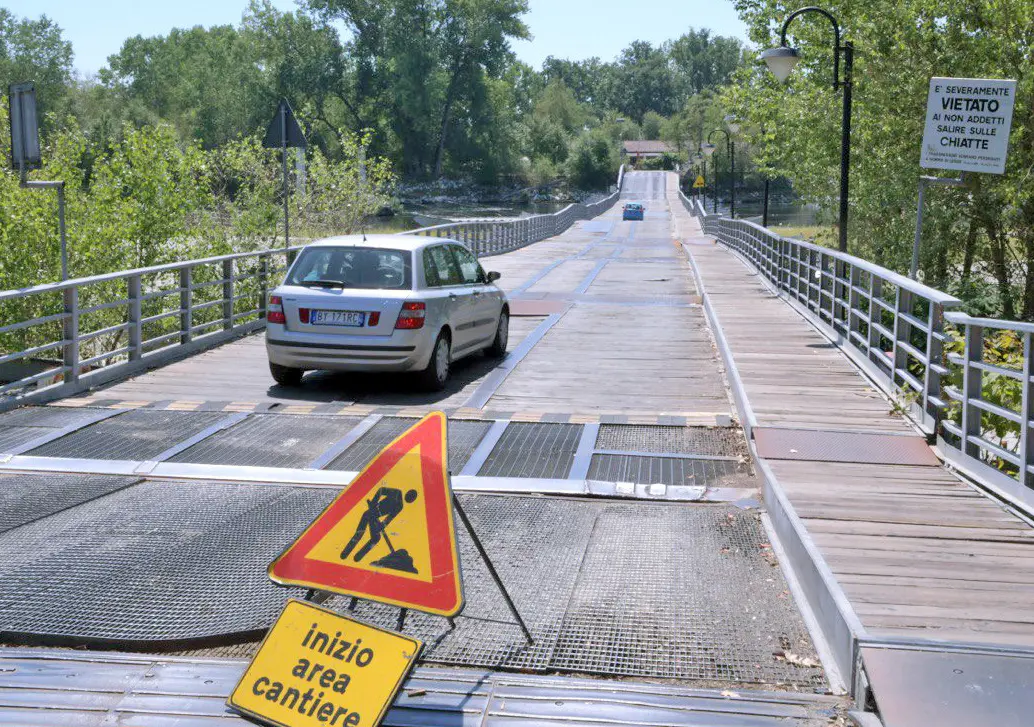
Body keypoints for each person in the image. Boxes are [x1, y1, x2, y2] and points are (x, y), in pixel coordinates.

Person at [340, 486, 418, 563]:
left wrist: (381, 526)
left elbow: (389, 519)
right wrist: (374, 502)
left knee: (376, 538)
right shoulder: (397, 493)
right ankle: (345, 553)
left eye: (412, 499)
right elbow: (381, 490)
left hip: (375, 518)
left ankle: (357, 557)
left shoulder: (400, 506)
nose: (410, 499)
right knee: (360, 533)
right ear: (408, 493)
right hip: (369, 513)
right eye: (411, 497)